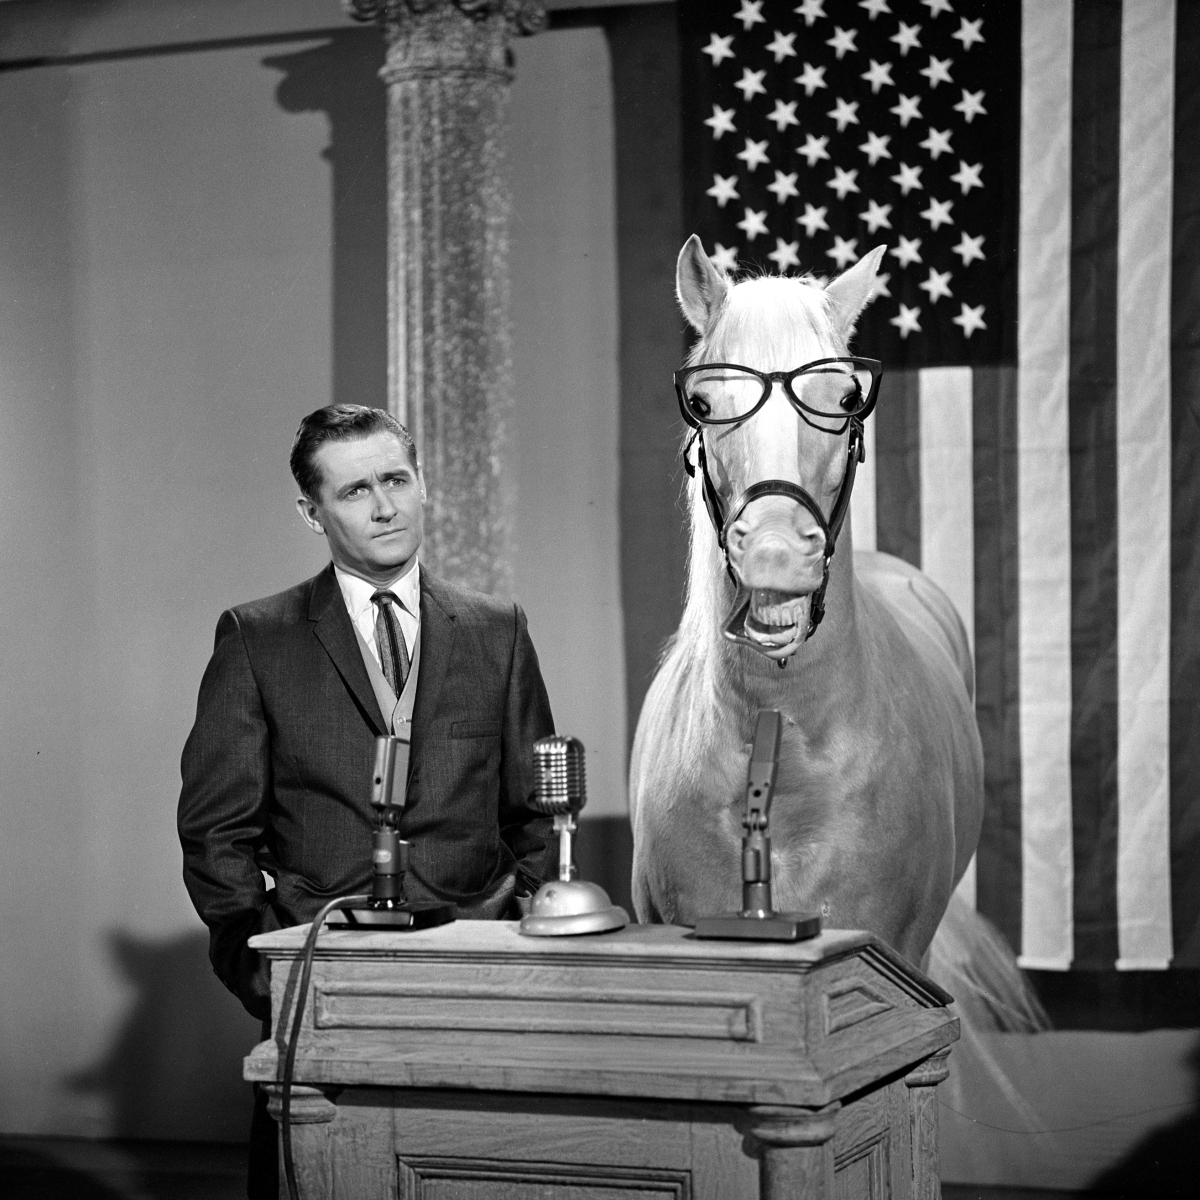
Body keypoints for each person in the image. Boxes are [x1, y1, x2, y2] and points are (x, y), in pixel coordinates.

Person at [177, 404, 555, 1194]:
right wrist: (257, 968)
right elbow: (216, 832)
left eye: (397, 480)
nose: (385, 506)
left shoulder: (498, 630)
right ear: (312, 513)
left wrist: (518, 931)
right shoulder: (258, 637)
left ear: (422, 486)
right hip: (323, 977)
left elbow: (533, 815)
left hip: (473, 967)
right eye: (355, 491)